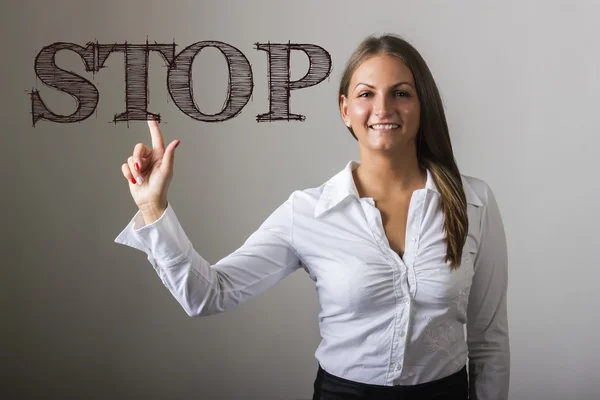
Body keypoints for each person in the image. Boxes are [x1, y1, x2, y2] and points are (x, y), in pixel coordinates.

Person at [115, 34, 509, 400]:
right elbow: (209, 294)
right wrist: (153, 207)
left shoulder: (474, 203)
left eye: (401, 93)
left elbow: (488, 339)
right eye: (366, 94)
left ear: (422, 105)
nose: (383, 108)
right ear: (345, 110)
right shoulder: (307, 212)